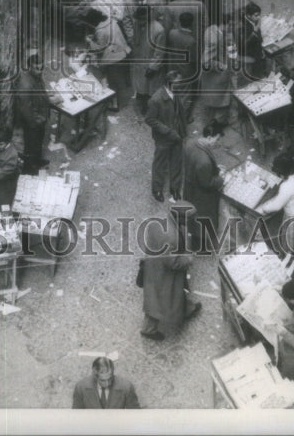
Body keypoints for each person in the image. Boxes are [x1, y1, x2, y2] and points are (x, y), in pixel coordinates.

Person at [139, 203, 201, 340]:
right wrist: (189, 259)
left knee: (163, 295)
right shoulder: (170, 237)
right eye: (189, 220)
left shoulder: (161, 217)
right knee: (158, 300)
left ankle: (186, 309)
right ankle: (148, 330)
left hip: (152, 264)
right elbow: (173, 262)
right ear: (181, 219)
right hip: (163, 273)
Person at [182, 121, 226, 251]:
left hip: (190, 188)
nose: (217, 142)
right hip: (202, 196)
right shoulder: (204, 162)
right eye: (216, 139)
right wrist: (220, 178)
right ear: (209, 137)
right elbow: (208, 183)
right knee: (204, 219)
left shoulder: (190, 143)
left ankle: (196, 243)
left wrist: (215, 169)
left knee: (194, 219)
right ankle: (201, 247)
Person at [145, 71, 187, 202]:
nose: (181, 85)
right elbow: (150, 119)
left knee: (176, 161)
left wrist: (182, 130)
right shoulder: (156, 100)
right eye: (178, 84)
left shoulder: (175, 93)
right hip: (164, 137)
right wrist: (168, 131)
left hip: (177, 134)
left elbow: (179, 112)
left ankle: (175, 188)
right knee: (160, 163)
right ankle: (156, 189)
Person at [129, 0, 167, 116]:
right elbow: (135, 40)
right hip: (139, 61)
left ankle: (152, 108)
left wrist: (153, 67)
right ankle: (143, 102)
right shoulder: (137, 23)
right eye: (137, 20)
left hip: (150, 64)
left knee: (151, 89)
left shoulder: (159, 30)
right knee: (140, 87)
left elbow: (159, 52)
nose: (138, 22)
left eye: (141, 20)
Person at [85, 8, 131, 109]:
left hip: (112, 59)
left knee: (111, 82)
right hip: (123, 52)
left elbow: (99, 49)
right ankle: (119, 98)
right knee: (119, 79)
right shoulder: (112, 21)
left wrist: (89, 41)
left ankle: (114, 105)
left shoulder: (100, 31)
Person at [13, 52, 51, 174]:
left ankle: (37, 161)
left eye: (41, 68)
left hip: (40, 117)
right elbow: (25, 109)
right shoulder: (26, 84)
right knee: (31, 145)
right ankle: (30, 169)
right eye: (36, 68)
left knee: (38, 142)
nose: (39, 71)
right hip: (33, 121)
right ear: (30, 67)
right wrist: (35, 122)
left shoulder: (36, 77)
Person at [199, 21, 234, 128]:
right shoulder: (214, 38)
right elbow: (206, 62)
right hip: (216, 76)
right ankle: (216, 125)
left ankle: (214, 123)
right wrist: (221, 66)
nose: (231, 27)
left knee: (214, 99)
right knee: (220, 100)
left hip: (212, 77)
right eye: (231, 25)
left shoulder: (213, 29)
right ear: (224, 23)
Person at [72, 356, 140, 409]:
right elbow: (76, 417)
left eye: (110, 379)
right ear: (95, 376)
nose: (107, 383)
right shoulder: (81, 387)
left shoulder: (126, 387)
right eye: (102, 380)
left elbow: (135, 415)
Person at [256, 153, 294, 219]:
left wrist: (264, 208)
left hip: (293, 214)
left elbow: (276, 206)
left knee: (290, 227)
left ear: (282, 174)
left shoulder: (286, 186)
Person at [237, 2, 268, 80]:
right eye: (256, 15)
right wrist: (254, 33)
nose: (259, 17)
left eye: (259, 15)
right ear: (248, 15)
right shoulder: (242, 26)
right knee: (255, 72)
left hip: (257, 50)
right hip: (250, 54)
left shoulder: (253, 21)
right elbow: (242, 45)